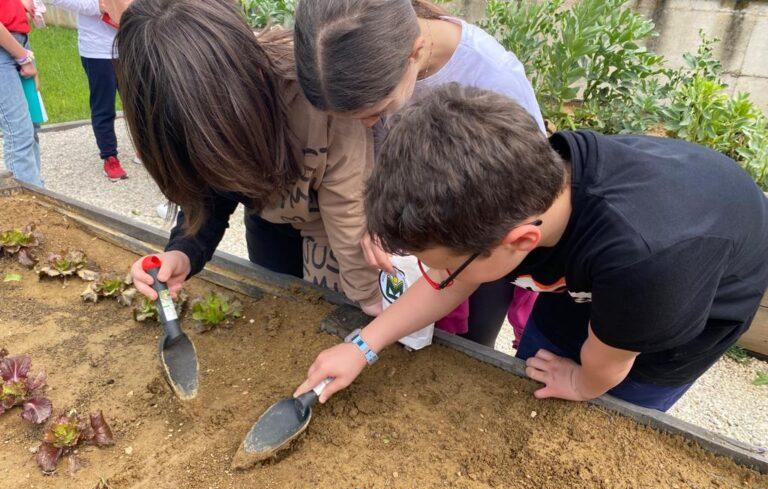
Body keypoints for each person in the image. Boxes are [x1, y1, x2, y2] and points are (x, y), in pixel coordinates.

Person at [294, 84, 768, 412]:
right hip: (621, 266)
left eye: (444, 267)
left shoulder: (646, 266)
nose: (435, 274)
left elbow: (611, 364)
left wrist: (583, 383)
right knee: (546, 355)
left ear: (521, 240)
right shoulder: (524, 183)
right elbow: (450, 279)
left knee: (611, 404)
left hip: (685, 302)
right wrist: (362, 346)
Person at [292, 0, 544, 348]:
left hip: (475, 253)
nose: (368, 126)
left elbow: (522, 204)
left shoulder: (494, 79)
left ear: (416, 51)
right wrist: (378, 221)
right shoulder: (364, 74)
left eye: (377, 113)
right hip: (408, 243)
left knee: (462, 351)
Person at [115, 0, 381, 316]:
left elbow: (347, 207)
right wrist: (182, 253)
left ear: (251, 74)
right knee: (282, 306)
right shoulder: (184, 108)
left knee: (347, 310)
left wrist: (370, 301)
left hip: (337, 227)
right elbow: (207, 196)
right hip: (270, 224)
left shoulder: (317, 91)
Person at [46, 0, 127, 181]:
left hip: (129, 45)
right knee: (104, 107)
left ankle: (145, 149)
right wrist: (99, 6)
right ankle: (109, 156)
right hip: (97, 50)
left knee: (139, 105)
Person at [0, 0, 43, 187]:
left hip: (18, 43)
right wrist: (23, 57)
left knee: (31, 128)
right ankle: (29, 199)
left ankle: (36, 192)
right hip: (8, 48)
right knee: (19, 132)